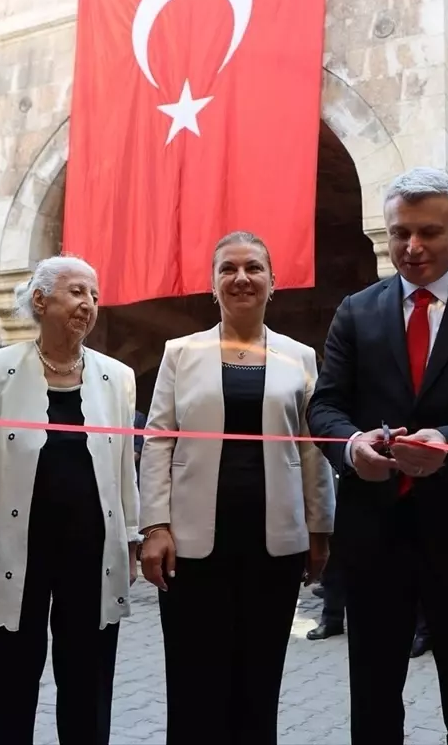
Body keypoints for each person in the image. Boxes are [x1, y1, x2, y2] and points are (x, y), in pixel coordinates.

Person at [307, 167, 448, 745]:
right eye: (400, 233)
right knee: (374, 695)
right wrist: (352, 447)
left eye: (429, 232)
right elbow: (325, 409)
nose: (412, 248)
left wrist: (447, 444)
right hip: (375, 532)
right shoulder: (356, 311)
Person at [138, 231, 335, 745]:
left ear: (273, 282)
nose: (241, 278)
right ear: (213, 283)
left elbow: (311, 448)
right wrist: (154, 524)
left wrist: (321, 528)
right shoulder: (180, 353)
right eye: (228, 268)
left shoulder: (300, 357)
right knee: (192, 678)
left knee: (259, 676)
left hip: (274, 542)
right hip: (192, 543)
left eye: (254, 268)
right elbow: (158, 440)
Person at [0, 255, 141, 745]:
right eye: (76, 292)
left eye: (94, 294)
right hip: (9, 552)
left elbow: (123, 471)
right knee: (4, 688)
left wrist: (130, 543)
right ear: (39, 299)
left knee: (88, 690)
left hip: (91, 556)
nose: (88, 304)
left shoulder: (118, 378)